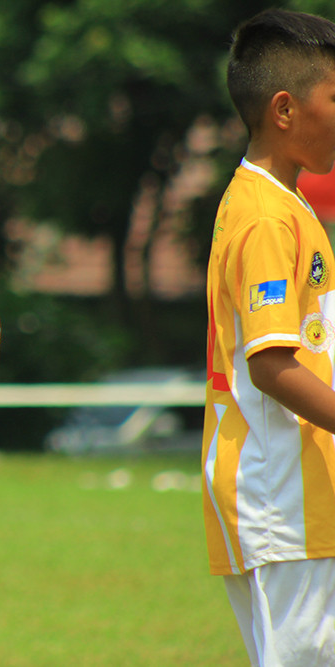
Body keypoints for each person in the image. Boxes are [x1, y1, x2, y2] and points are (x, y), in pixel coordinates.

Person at [203, 8, 335, 666]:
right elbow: (271, 365)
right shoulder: (263, 216)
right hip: (282, 500)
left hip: (297, 497)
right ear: (285, 109)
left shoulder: (287, 203)